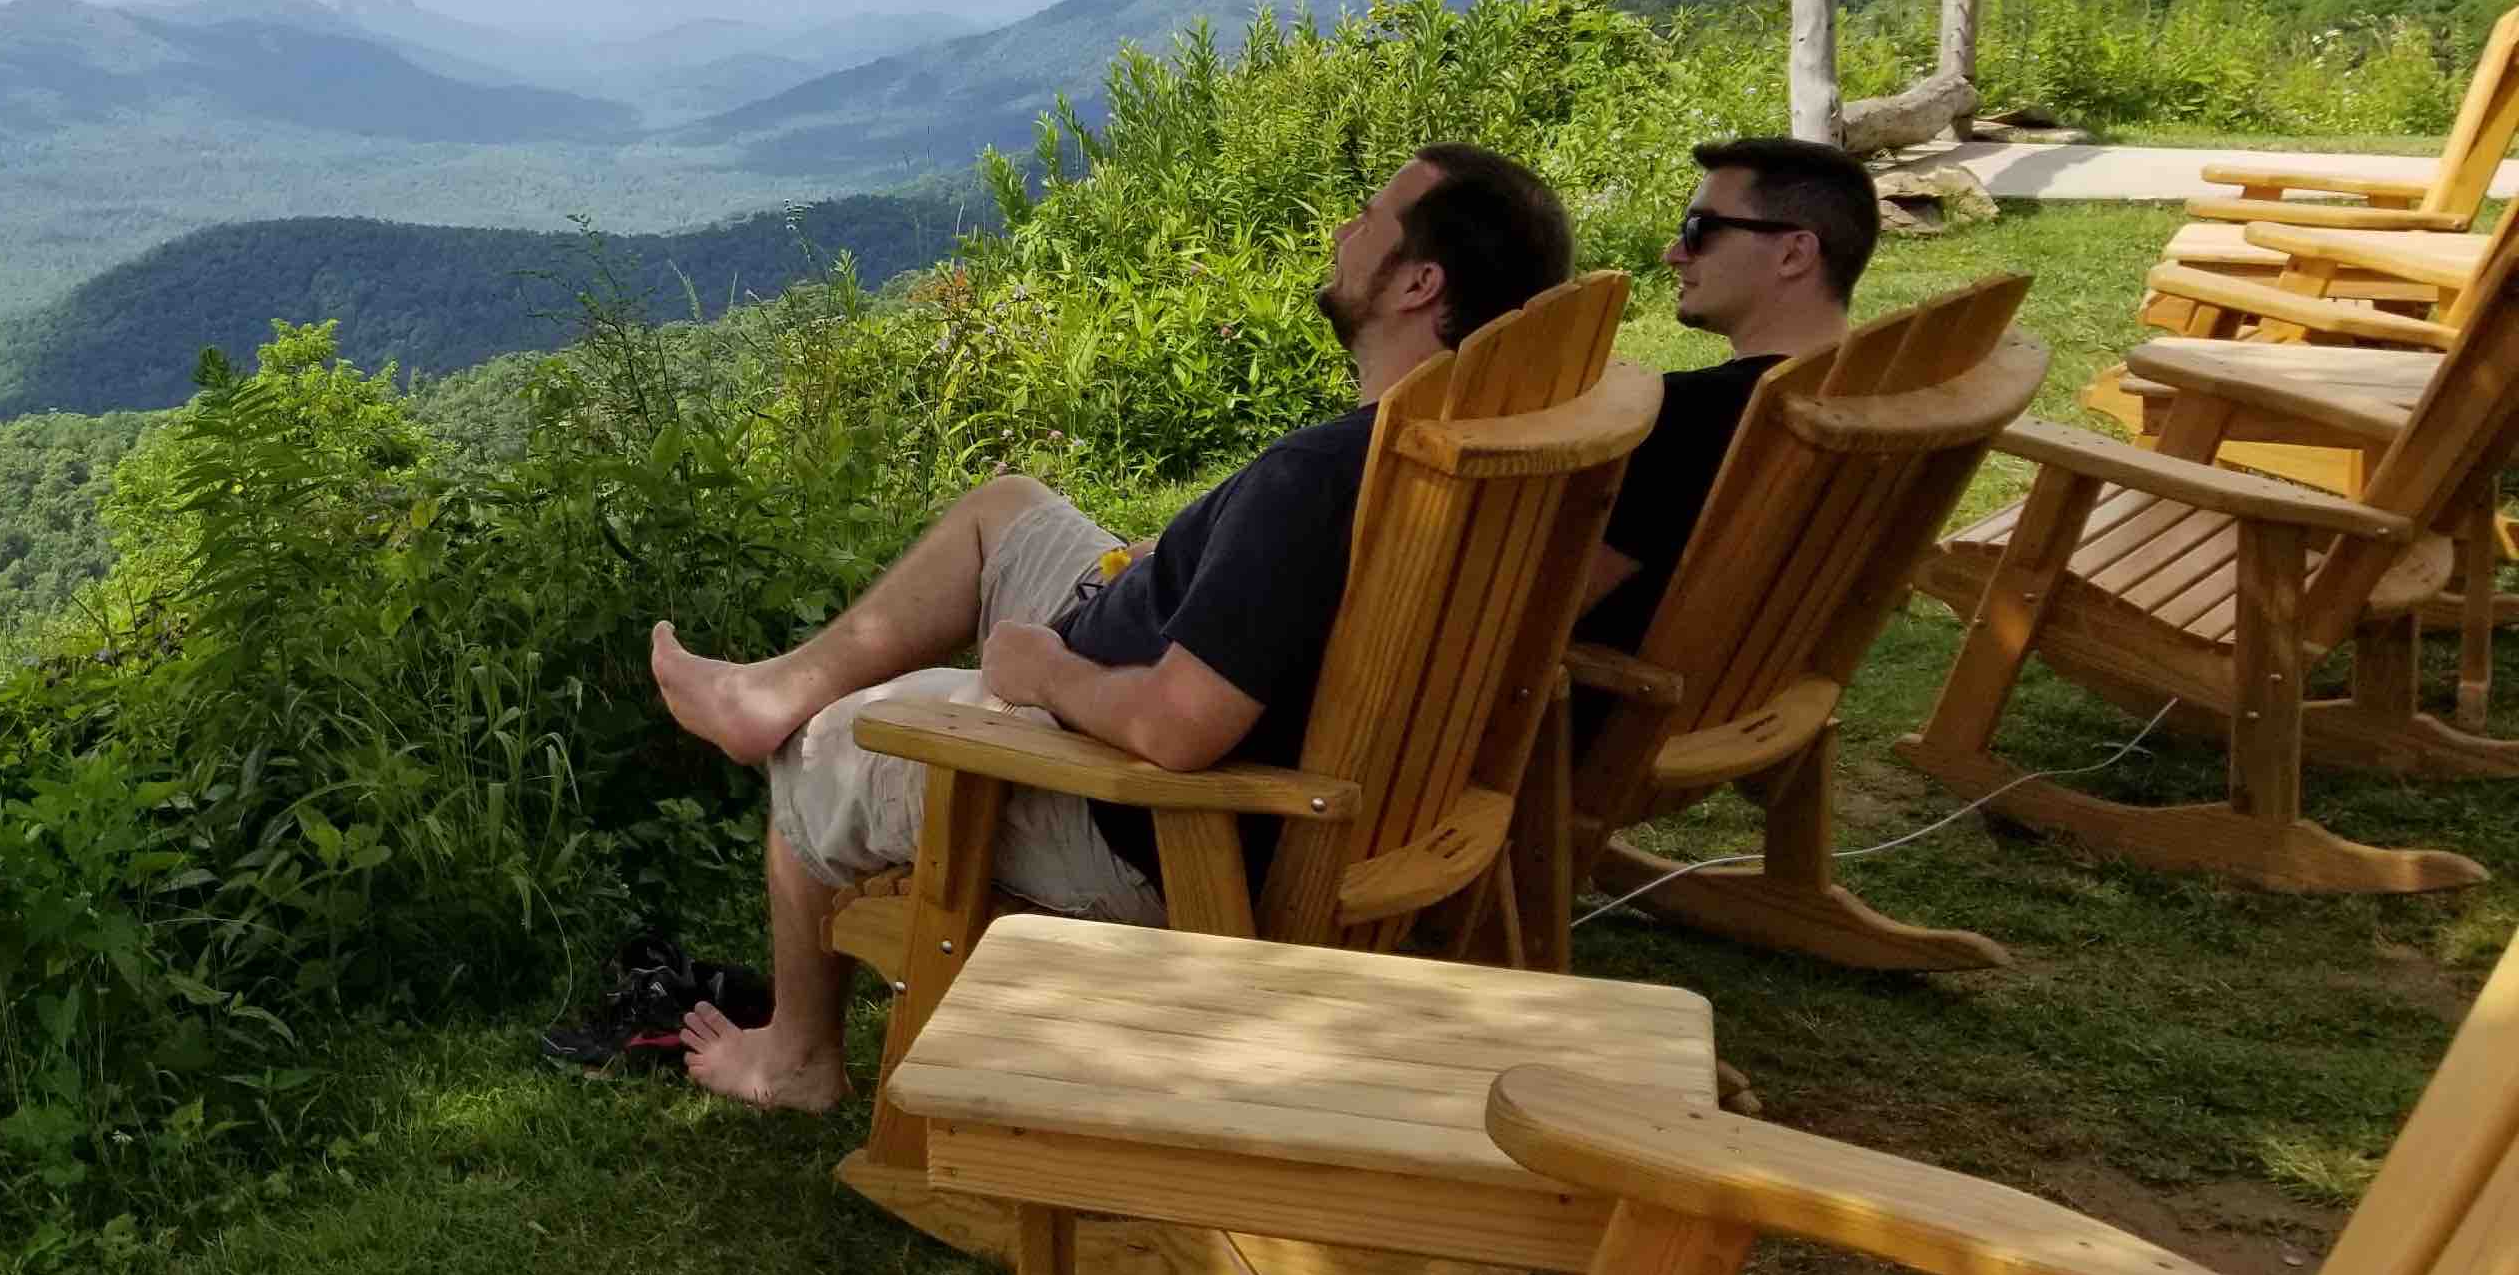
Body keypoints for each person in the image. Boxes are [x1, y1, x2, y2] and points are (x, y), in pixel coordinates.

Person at [645, 145, 1576, 1112]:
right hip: (1191, 682)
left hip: (1153, 822)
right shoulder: (1477, 448)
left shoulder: (1320, 481)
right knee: (1007, 510)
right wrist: (1186, 565)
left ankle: (796, 1057)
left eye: (1371, 219)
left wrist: (1041, 672)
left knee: (821, 745)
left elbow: (1181, 730)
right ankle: (766, 689)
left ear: (1419, 283)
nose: (1346, 230)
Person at [1572, 135, 1879, 662]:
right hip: (1760, 698)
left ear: (1794, 253)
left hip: (1619, 720)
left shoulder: (1693, 415)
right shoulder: (1880, 393)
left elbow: (1554, 608)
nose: (1674, 254)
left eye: (1700, 231)